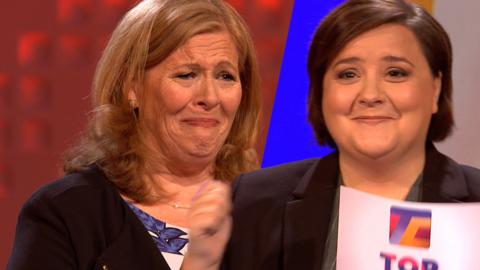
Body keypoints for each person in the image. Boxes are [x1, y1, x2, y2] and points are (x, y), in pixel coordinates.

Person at [221, 0, 480, 269]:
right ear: (320, 92)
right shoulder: (254, 202)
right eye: (348, 74)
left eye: (395, 73)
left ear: (435, 89)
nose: (370, 95)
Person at [7, 0, 260, 269]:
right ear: (132, 89)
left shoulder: (272, 213)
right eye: (186, 75)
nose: (210, 97)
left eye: (225, 76)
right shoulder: (65, 215)